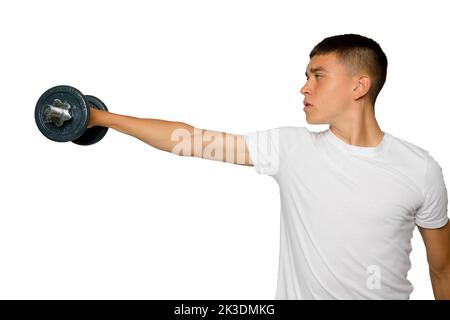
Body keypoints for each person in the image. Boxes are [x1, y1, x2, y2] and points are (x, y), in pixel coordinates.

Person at [87, 34, 449, 300]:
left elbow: (442, 269)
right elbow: (189, 140)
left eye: (317, 76)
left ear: (359, 85)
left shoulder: (419, 170)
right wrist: (101, 117)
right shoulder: (290, 148)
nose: (304, 88)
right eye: (307, 76)